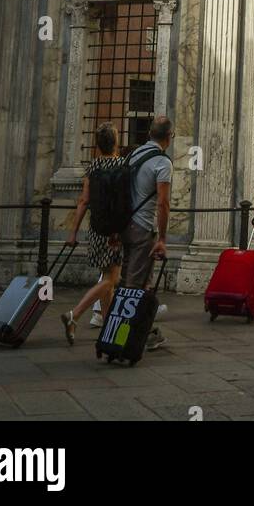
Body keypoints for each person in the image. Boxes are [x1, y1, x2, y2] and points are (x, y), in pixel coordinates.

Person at [61, 122, 124, 345]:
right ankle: (75, 314)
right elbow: (123, 203)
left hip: (96, 231)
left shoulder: (93, 167)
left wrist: (73, 232)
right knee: (112, 279)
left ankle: (108, 329)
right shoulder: (121, 166)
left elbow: (84, 201)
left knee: (107, 279)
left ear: (98, 145)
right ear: (116, 142)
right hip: (114, 233)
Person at [121, 115, 174, 352]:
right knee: (135, 284)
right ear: (169, 137)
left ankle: (149, 332)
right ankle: (122, 334)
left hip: (125, 225)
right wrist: (162, 238)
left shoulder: (135, 154)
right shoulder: (162, 163)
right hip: (143, 228)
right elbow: (163, 203)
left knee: (136, 281)